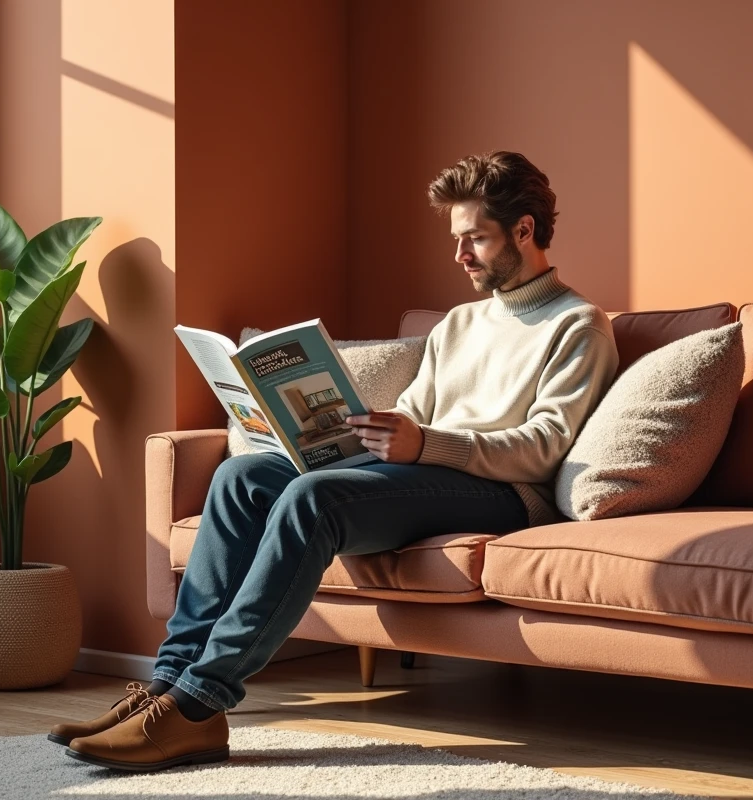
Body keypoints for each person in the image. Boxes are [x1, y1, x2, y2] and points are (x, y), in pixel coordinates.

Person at [51, 150, 620, 773]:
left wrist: (424, 445)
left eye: (474, 239)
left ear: (525, 230)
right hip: (415, 475)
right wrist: (341, 439)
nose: (459, 255)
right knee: (243, 475)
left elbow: (544, 446)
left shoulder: (578, 325)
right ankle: (164, 686)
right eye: (455, 239)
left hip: (501, 493)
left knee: (313, 499)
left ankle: (199, 704)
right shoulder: (459, 324)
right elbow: (411, 414)